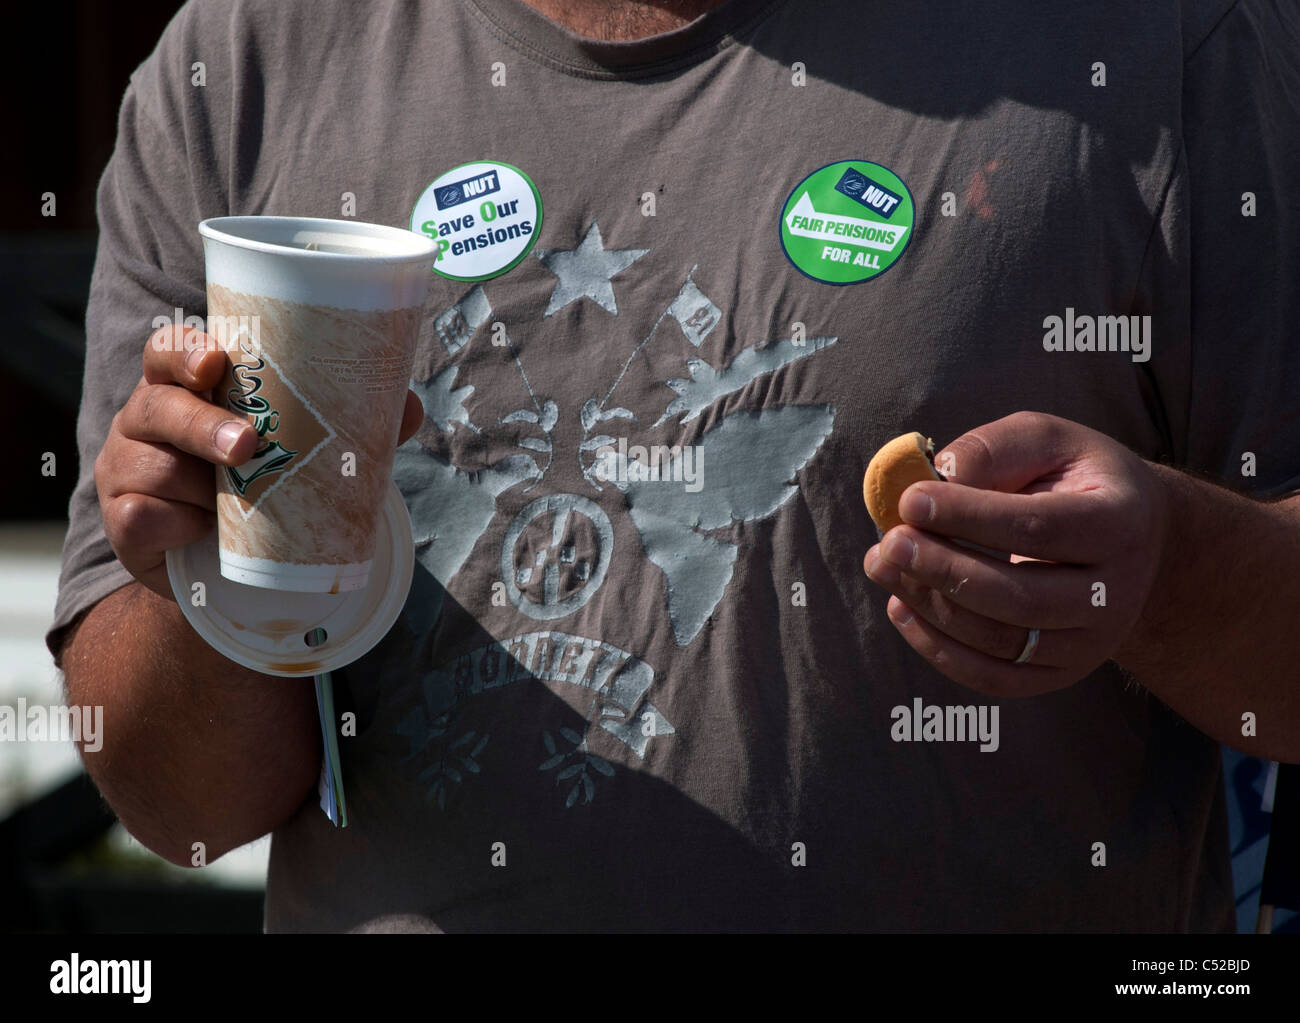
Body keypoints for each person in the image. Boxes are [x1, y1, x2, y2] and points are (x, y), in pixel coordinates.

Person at [50, 0, 1300, 932]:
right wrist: (201, 584)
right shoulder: (246, 60)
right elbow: (184, 810)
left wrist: (1173, 567)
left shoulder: (1164, 42)